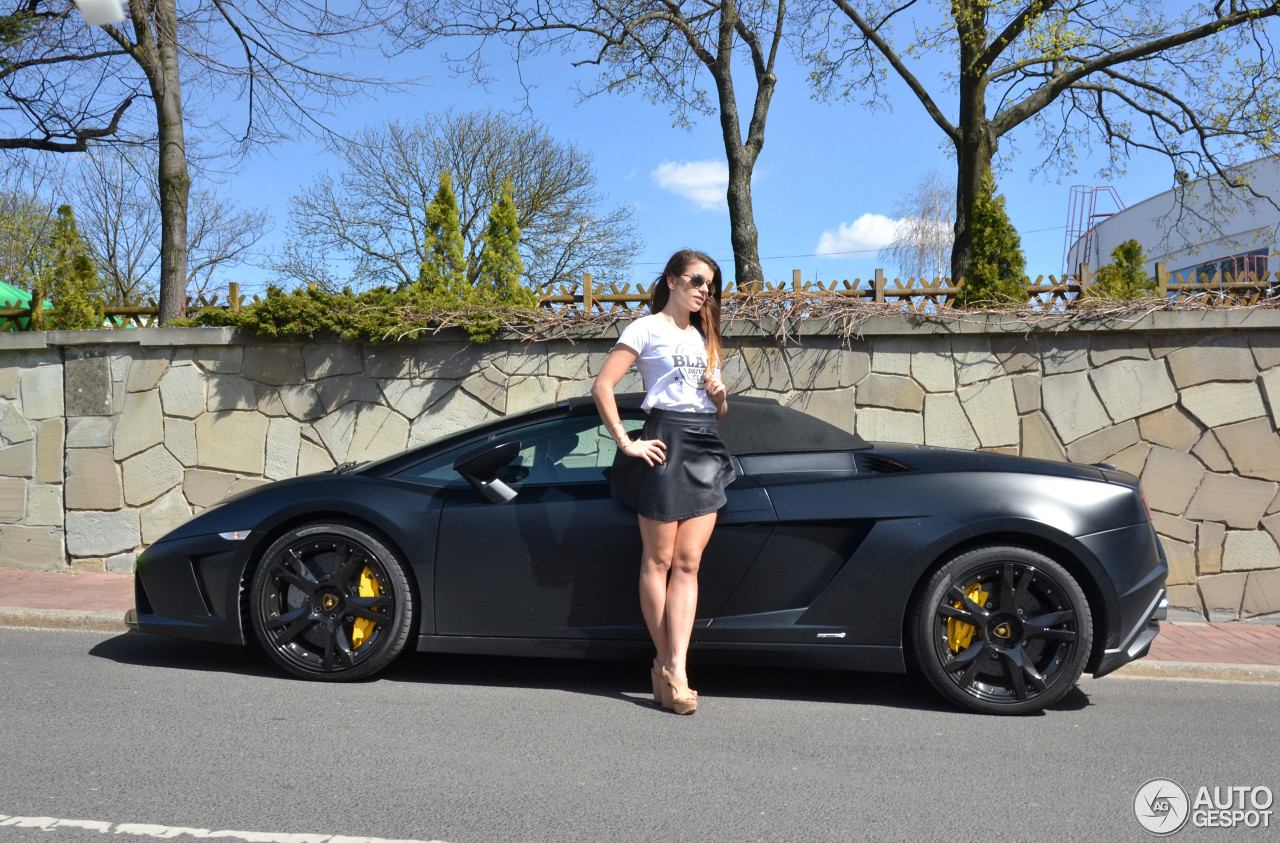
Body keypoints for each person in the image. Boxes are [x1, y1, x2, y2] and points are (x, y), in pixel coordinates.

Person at [591, 249, 733, 715]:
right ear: (672, 280)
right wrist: (625, 441)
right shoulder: (645, 328)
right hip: (665, 440)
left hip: (705, 444)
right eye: (696, 280)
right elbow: (603, 385)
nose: (703, 290)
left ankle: (672, 666)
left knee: (689, 562)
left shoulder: (704, 336)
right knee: (660, 558)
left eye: (709, 284)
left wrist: (719, 396)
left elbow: (718, 409)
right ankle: (672, 668)